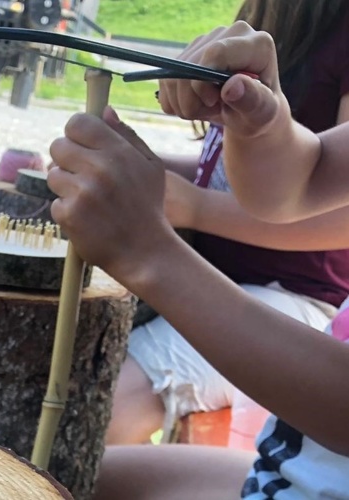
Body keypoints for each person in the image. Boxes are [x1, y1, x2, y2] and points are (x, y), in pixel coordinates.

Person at [44, 22, 349, 498]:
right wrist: (261, 124)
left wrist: (150, 255)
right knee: (50, 471)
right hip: (288, 471)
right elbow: (302, 182)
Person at [106, 0, 349, 445]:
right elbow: (262, 175)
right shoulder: (264, 18)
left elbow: (338, 214)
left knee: (103, 412)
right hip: (211, 274)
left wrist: (194, 208)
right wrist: (141, 172)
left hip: (295, 302)